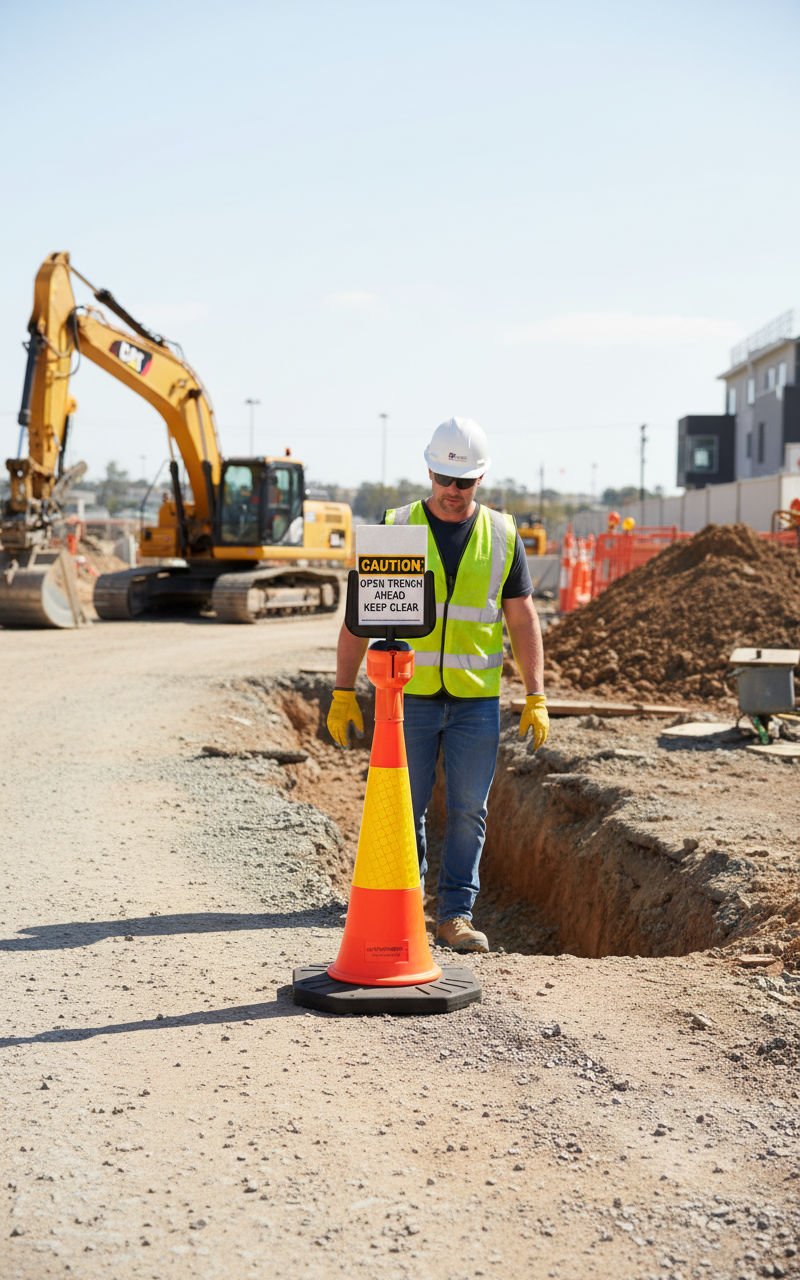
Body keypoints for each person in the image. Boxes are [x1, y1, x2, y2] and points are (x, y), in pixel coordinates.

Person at [327, 417, 549, 953]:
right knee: (408, 805)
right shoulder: (397, 526)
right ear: (429, 470)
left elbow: (522, 620)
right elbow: (361, 616)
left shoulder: (501, 534)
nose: (454, 491)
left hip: (475, 701)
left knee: (470, 811)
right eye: (446, 479)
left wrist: (536, 692)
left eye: (465, 481)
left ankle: (455, 915)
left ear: (480, 480)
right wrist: (341, 689)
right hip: (409, 698)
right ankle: (408, 906)